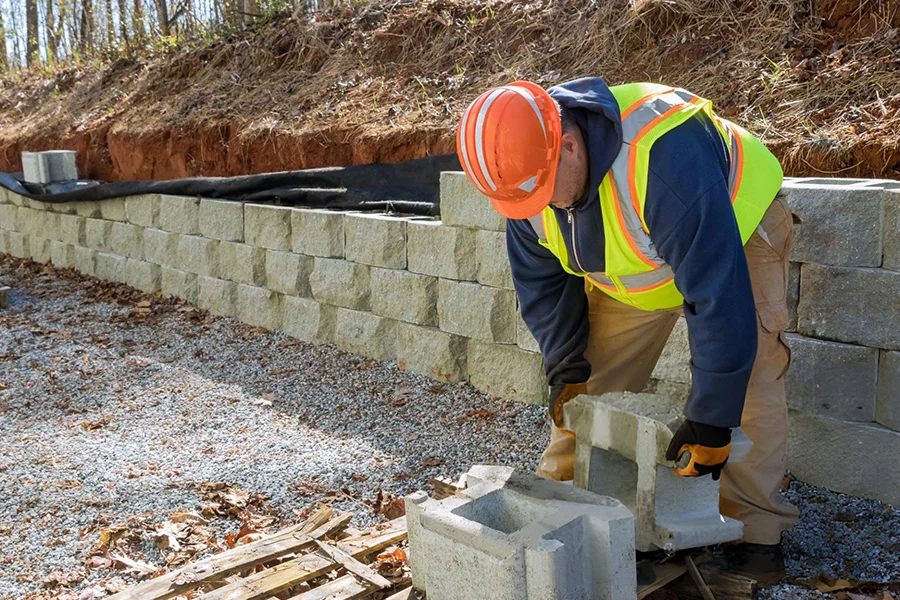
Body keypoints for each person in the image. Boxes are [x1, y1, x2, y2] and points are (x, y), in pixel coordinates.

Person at [455, 78, 799, 581]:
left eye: (538, 193)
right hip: (641, 263)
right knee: (590, 384)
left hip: (733, 229)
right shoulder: (525, 178)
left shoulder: (661, 154)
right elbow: (543, 285)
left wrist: (710, 419)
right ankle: (565, 504)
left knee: (747, 385)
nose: (533, 208)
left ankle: (756, 535)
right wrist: (566, 361)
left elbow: (716, 295)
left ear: (569, 146)